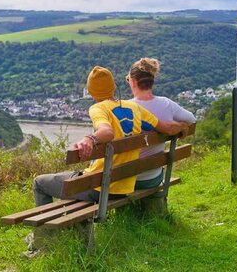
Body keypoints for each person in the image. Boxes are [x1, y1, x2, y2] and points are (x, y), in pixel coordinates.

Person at [32, 66, 188, 207]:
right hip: (124, 185)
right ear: (114, 87)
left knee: (39, 183)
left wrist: (90, 139)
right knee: (73, 181)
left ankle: (42, 236)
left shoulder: (98, 108)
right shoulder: (134, 106)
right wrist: (182, 127)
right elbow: (167, 128)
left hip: (100, 188)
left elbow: (107, 132)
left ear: (91, 91)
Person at [127, 58, 196, 189]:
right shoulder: (166, 104)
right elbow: (191, 119)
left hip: (127, 180)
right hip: (153, 178)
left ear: (133, 81)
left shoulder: (125, 108)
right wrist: (179, 126)